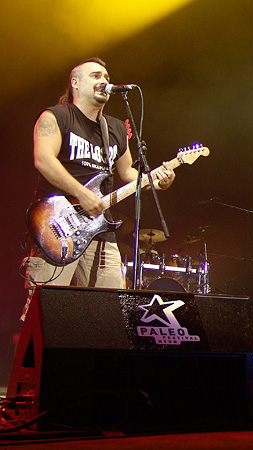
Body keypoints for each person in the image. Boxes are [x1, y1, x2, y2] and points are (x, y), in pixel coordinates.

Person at [21, 57, 175, 320]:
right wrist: (81, 193)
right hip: (57, 227)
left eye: (106, 76)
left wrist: (155, 180)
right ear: (75, 83)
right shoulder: (55, 116)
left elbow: (127, 173)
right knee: (43, 314)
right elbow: (43, 160)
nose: (104, 80)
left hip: (101, 234)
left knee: (113, 314)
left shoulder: (114, 128)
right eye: (95, 75)